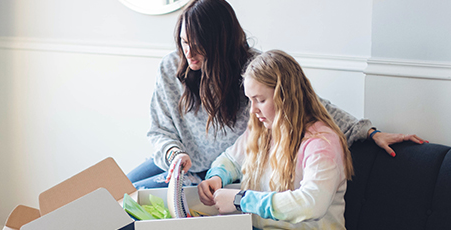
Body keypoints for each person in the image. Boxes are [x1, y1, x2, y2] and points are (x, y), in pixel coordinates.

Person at [127, 0, 426, 189]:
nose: (189, 53)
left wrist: (369, 132)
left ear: (220, 43)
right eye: (183, 43)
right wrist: (174, 154)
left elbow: (308, 103)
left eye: (198, 45)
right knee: (121, 190)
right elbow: (159, 130)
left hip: (227, 171)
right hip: (180, 163)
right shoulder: (171, 68)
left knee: (142, 204)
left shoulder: (253, 69)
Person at [199, 49, 350, 229]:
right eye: (250, 100)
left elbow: (312, 203)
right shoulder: (262, 130)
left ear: (284, 98)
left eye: (260, 100)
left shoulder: (321, 143)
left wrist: (242, 200)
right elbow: (231, 160)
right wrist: (217, 177)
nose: (253, 109)